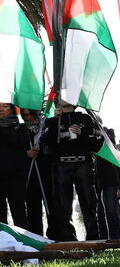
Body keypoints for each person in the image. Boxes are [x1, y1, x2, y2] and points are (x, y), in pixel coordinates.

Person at [42, 100, 103, 241]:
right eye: (60, 95)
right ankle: (69, 240)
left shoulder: (85, 118)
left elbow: (98, 142)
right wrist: (55, 121)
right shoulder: (51, 121)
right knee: (63, 205)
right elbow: (46, 143)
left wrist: (82, 133)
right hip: (61, 165)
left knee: (89, 202)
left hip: (84, 164)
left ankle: (93, 238)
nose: (63, 97)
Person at [0, 103, 31, 229]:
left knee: (18, 212)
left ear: (12, 109)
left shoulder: (21, 127)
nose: (1, 109)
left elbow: (21, 142)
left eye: (4, 106)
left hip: (15, 178)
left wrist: (1, 131)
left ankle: (24, 243)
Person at [22, 109, 51, 236]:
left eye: (30, 114)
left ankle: (55, 235)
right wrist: (26, 154)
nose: (28, 118)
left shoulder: (46, 126)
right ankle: (36, 235)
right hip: (29, 173)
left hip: (46, 171)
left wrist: (43, 145)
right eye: (25, 115)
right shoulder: (21, 130)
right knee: (33, 208)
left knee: (51, 206)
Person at [94, 129, 120, 240]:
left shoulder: (112, 150)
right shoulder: (97, 150)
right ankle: (106, 238)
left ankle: (115, 238)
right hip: (100, 184)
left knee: (111, 212)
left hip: (112, 183)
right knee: (102, 214)